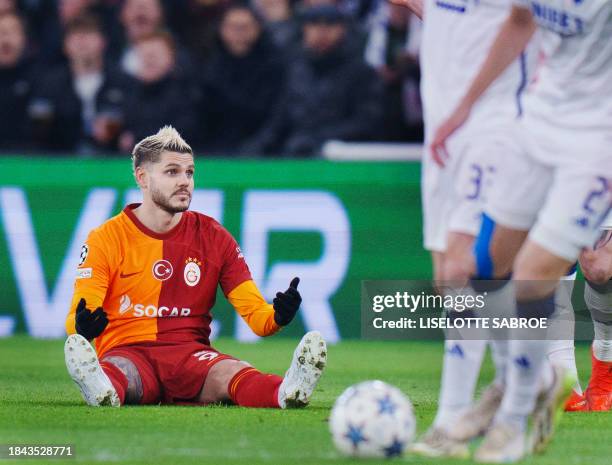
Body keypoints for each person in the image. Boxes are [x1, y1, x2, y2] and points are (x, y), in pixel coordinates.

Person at [429, 1, 612, 461]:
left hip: (593, 143)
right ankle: (530, 379)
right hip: (534, 127)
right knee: (487, 266)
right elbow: (517, 21)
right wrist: (463, 108)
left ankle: (511, 421)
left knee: (541, 270)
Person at [64, 125, 327, 409]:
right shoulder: (106, 238)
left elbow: (257, 318)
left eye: (189, 172)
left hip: (191, 355)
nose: (185, 181)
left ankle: (288, 391)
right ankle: (102, 389)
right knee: (122, 374)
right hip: (129, 351)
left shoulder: (213, 236)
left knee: (231, 372)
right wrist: (82, 327)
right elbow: (78, 317)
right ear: (143, 178)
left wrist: (278, 315)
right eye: (172, 172)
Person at [243, 4, 382, 156]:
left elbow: (367, 121)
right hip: (295, 151)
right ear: (304, 29)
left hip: (344, 155)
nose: (322, 31)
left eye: (330, 24)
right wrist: (257, 146)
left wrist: (319, 138)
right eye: (314, 24)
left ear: (343, 29)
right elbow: (279, 118)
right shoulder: (292, 68)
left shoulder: (361, 72)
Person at [31, 15, 128, 154]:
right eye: (75, 35)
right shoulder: (49, 84)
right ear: (65, 45)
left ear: (103, 42)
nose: (82, 40)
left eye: (89, 33)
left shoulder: (123, 81)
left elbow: (138, 120)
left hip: (112, 159)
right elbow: (38, 129)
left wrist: (117, 128)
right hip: (61, 161)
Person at [199, 5, 285, 153]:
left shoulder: (275, 66)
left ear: (258, 29)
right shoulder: (206, 65)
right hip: (213, 151)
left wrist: (257, 147)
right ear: (221, 29)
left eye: (245, 27)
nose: (238, 33)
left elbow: (279, 116)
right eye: (233, 26)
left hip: (266, 151)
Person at [118, 31, 198, 152]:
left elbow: (184, 134)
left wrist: (137, 139)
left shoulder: (187, 93)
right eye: (143, 55)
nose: (148, 60)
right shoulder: (126, 92)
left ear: (171, 58)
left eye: (155, 55)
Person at [0, 12, 34, 152]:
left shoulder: (40, 77)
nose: (5, 40)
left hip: (29, 160)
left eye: (12, 32)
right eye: (1, 33)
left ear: (24, 39)